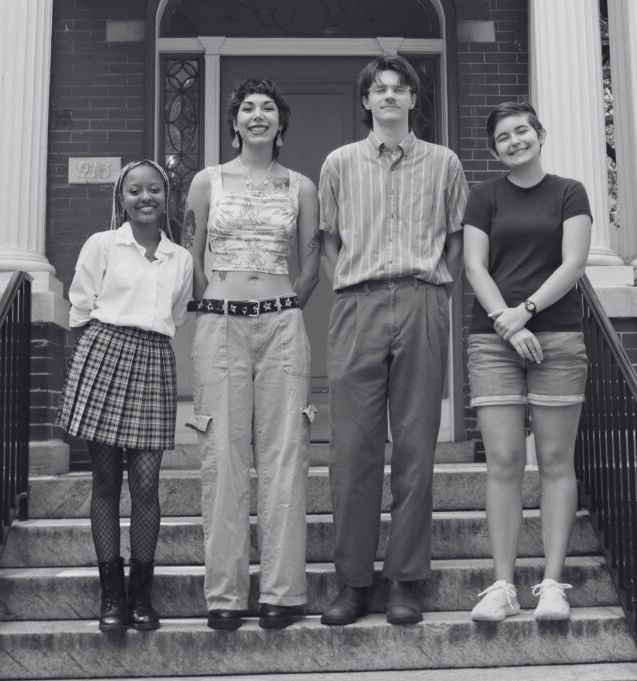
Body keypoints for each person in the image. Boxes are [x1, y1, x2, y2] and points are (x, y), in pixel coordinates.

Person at [317, 54, 468, 626]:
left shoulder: (444, 162)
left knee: (415, 447)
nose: (388, 95)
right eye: (378, 89)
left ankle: (405, 578)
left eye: (398, 88)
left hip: (421, 298)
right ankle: (353, 582)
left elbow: (456, 239)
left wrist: (438, 293)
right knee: (351, 450)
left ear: (412, 99)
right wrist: (344, 287)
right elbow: (328, 240)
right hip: (356, 303)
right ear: (366, 101)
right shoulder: (339, 163)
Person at [183, 78, 320, 631]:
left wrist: (285, 305)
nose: (257, 114)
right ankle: (225, 594)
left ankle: (283, 592)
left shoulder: (301, 186)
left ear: (280, 123)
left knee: (285, 454)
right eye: (247, 108)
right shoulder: (206, 181)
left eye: (267, 107)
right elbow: (191, 255)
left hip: (282, 324)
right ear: (235, 122)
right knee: (222, 454)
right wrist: (214, 303)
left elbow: (311, 261)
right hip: (220, 326)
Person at [462, 102, 592, 622]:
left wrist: (526, 312)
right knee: (504, 461)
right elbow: (474, 266)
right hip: (494, 341)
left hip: (557, 337)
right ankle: (502, 586)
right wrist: (508, 324)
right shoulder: (484, 196)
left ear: (540, 135)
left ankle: (553, 585)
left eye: (522, 131)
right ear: (495, 150)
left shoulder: (569, 192)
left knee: (556, 461)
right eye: (504, 137)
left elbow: (574, 263)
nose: (514, 141)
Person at [59, 159, 194, 632]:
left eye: (154, 189)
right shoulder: (102, 244)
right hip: (104, 352)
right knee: (105, 481)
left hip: (154, 359)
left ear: (166, 197)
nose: (145, 198)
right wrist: (89, 368)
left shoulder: (180, 259)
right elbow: (80, 307)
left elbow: (177, 311)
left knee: (146, 486)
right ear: (122, 198)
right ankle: (111, 596)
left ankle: (141, 595)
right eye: (134, 190)